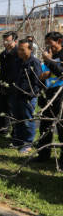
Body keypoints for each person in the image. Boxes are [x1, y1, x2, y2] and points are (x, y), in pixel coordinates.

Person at [33, 31, 63, 163]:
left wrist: (49, 61)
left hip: (61, 96)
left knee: (62, 128)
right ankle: (43, 155)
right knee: (45, 126)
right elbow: (42, 74)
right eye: (46, 44)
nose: (48, 47)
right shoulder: (48, 56)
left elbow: (61, 73)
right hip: (47, 95)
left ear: (59, 41)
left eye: (50, 44)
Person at [11, 38, 42, 154]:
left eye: (22, 50)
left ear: (30, 49)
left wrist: (31, 94)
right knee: (17, 119)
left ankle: (28, 143)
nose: (19, 52)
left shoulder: (35, 63)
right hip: (16, 94)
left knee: (28, 120)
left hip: (28, 97)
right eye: (19, 49)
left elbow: (37, 82)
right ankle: (18, 141)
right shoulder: (18, 61)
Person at [0, 31, 20, 136]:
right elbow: (2, 71)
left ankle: (15, 134)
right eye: (4, 40)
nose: (5, 42)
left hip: (14, 86)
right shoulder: (3, 54)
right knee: (1, 107)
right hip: (3, 85)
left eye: (8, 40)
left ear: (15, 41)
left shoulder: (19, 54)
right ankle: (2, 130)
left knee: (13, 110)